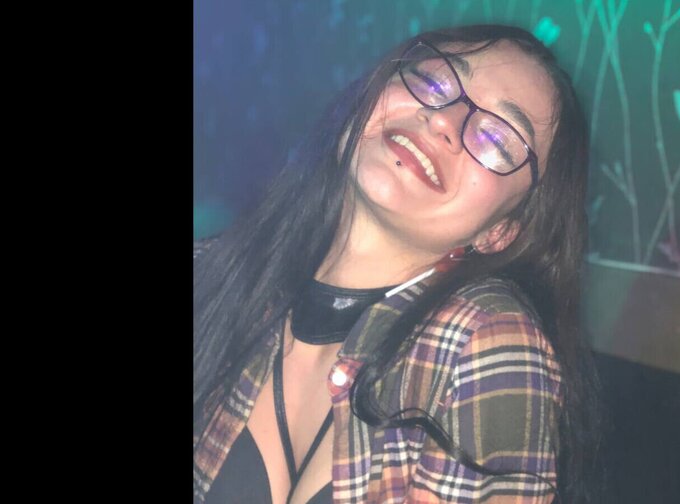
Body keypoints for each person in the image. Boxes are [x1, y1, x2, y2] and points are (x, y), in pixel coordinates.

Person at [193, 24, 603, 503]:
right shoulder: (211, 273)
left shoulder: (485, 341)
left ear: (502, 230)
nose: (444, 120)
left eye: (497, 138)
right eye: (434, 82)